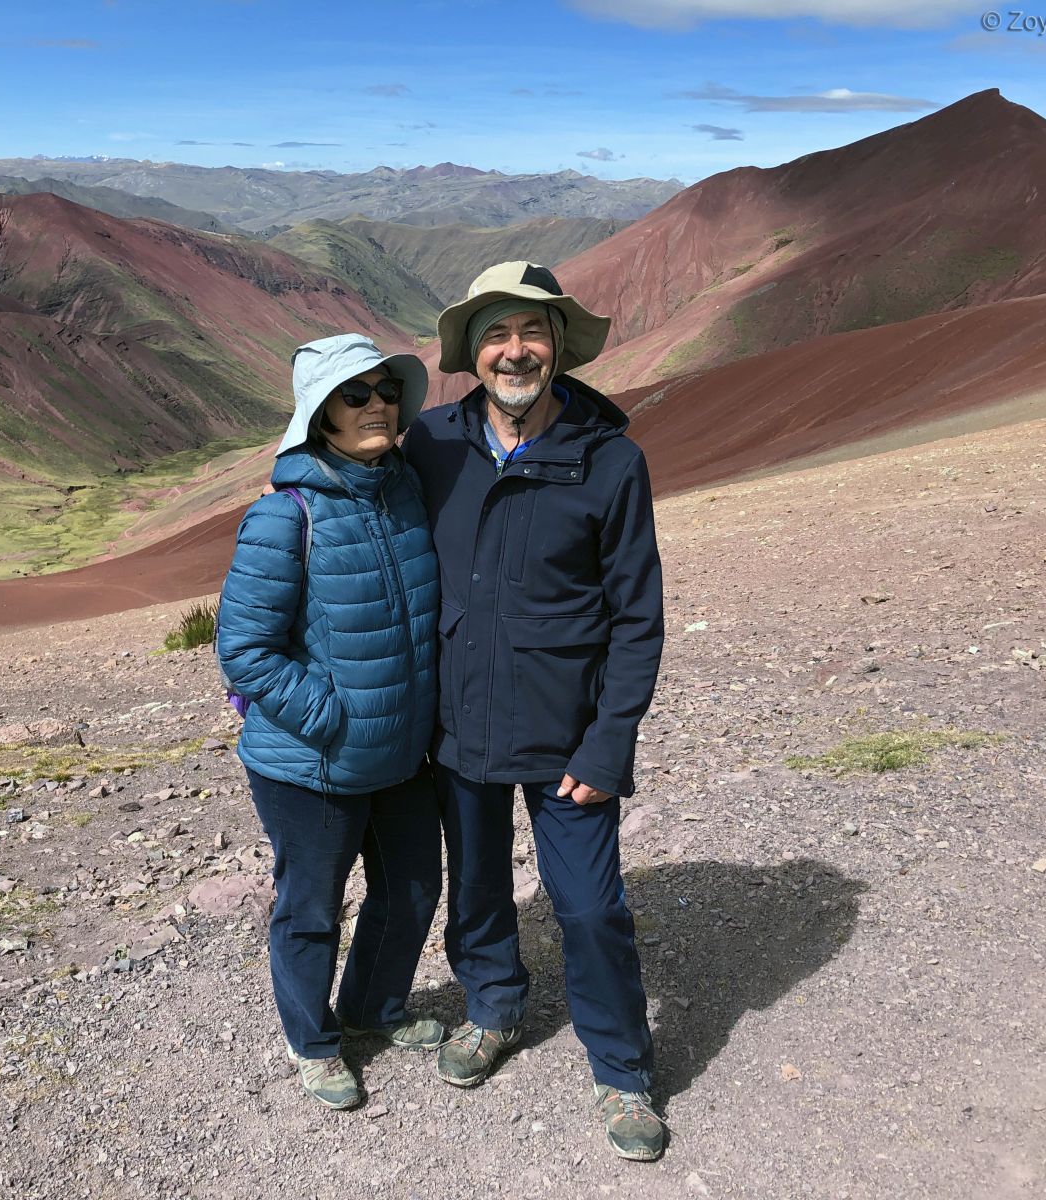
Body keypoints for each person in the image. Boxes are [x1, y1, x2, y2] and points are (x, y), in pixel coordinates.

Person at [403, 262, 668, 1161]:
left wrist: (610, 743)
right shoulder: (432, 444)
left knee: (589, 909)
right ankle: (493, 1007)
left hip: (569, 737)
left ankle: (622, 1070)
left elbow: (637, 618)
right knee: (476, 888)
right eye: (496, 333)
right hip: (458, 723)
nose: (514, 351)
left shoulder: (612, 462)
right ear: (471, 352)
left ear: (559, 346)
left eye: (532, 332)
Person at [216, 333, 444, 1111]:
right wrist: (332, 719)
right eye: (356, 393)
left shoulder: (406, 491)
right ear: (321, 415)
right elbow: (244, 650)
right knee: (312, 909)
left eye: (386, 389)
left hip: (401, 753)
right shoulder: (285, 517)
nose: (377, 403)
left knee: (413, 889)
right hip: (311, 761)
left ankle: (373, 1007)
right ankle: (312, 1041)